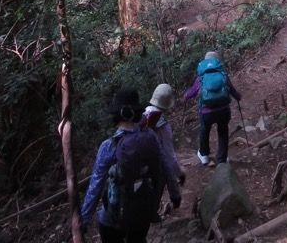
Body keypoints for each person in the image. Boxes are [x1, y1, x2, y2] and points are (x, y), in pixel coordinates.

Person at [80, 87, 181, 243]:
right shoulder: (151, 137)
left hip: (112, 220)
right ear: (137, 113)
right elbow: (166, 167)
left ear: (116, 115)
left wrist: (84, 220)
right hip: (142, 215)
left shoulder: (108, 146)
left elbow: (95, 186)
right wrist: (175, 195)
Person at [184, 51, 241, 166]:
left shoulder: (201, 77)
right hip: (223, 110)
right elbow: (232, 90)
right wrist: (238, 97)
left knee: (204, 130)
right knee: (223, 131)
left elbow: (191, 92)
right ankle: (222, 159)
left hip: (206, 111)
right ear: (217, 61)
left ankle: (204, 155)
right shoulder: (223, 74)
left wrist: (185, 96)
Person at [143, 83, 186, 223]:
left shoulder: (142, 114)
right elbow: (169, 157)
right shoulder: (163, 126)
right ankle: (152, 214)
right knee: (159, 183)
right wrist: (180, 173)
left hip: (138, 163)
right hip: (155, 166)